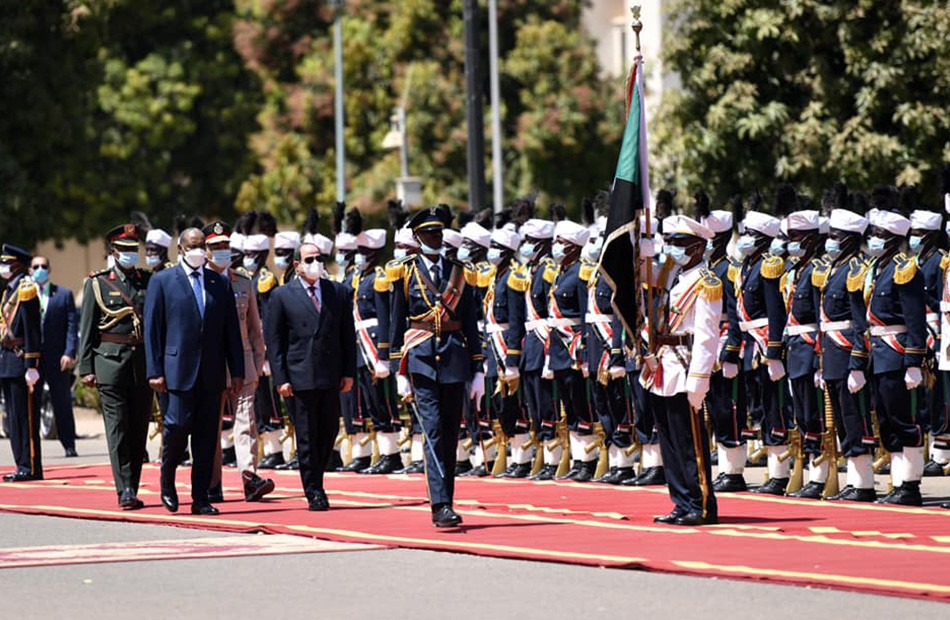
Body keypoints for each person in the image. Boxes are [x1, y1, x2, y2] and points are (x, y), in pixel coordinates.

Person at [389, 205, 484, 527]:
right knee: (432, 432)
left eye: (439, 233)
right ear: (417, 238)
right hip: (422, 360)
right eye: (429, 233)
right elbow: (396, 321)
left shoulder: (460, 271)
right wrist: (396, 370)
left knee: (449, 434)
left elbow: (471, 322)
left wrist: (479, 368)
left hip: (455, 359)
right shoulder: (404, 272)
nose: (436, 238)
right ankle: (440, 505)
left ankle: (448, 500)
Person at [144, 227, 245, 515]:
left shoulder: (218, 283)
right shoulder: (162, 281)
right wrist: (155, 371)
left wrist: (236, 370)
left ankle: (200, 497)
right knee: (177, 428)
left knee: (205, 437)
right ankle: (167, 482)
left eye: (202, 246)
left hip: (211, 373)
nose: (198, 250)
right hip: (177, 371)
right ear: (180, 248)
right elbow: (153, 330)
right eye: (192, 246)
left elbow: (230, 332)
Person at [642, 215, 721, 526]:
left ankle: (700, 504)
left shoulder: (707, 282)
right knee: (670, 441)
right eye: (669, 242)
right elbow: (640, 281)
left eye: (678, 243)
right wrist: (642, 254)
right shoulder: (672, 275)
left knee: (691, 443)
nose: (672, 248)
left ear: (699, 246)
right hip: (664, 366)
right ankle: (680, 501)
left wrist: (699, 380)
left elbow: (707, 334)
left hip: (686, 366)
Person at [265, 241, 356, 511]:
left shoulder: (337, 292)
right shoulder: (282, 296)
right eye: (309, 259)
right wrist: (281, 378)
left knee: (328, 431)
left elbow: (347, 336)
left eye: (319, 258)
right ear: (296, 265)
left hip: (330, 375)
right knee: (306, 435)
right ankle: (313, 489)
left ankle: (317, 478)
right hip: (299, 375)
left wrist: (348, 372)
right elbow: (275, 340)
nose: (316, 263)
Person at [78, 226, 151, 507]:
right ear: (113, 252)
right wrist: (86, 368)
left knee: (139, 429)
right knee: (118, 427)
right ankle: (125, 491)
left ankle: (132, 484)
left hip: (142, 364)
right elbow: (87, 331)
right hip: (109, 363)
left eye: (135, 250)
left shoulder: (147, 281)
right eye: (126, 250)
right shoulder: (97, 283)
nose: (132, 255)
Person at [863, 188, 927, 506]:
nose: (871, 239)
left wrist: (914, 361)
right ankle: (898, 482)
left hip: (897, 351)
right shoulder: (877, 269)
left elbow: (915, 318)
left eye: (877, 234)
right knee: (886, 420)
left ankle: (911, 485)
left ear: (890, 238)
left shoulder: (904, 268)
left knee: (903, 420)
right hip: (879, 353)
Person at [203, 222, 274, 503]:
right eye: (215, 247)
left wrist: (257, 364)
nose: (222, 251)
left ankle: (249, 477)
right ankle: (212, 483)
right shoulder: (198, 282)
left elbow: (256, 330)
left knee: (246, 423)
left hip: (243, 363)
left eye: (225, 246)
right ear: (206, 251)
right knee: (212, 425)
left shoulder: (243, 282)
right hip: (211, 364)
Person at [813, 197, 875, 502]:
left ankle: (863, 483)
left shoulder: (856, 269)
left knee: (853, 419)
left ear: (849, 241)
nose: (829, 243)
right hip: (832, 354)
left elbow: (861, 322)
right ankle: (854, 481)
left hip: (848, 352)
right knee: (839, 418)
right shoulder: (833, 268)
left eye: (835, 238)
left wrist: (857, 363)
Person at [729, 193, 788, 494]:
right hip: (750, 347)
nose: (745, 239)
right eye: (745, 233)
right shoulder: (746, 266)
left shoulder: (769, 265)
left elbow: (775, 312)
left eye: (751, 235)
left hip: (765, 346)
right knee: (760, 407)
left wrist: (775, 352)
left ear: (764, 239)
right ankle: (771, 471)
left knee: (774, 407)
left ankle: (779, 475)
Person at [780, 206, 826, 498]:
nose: (791, 243)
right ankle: (809, 471)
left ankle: (820, 476)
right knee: (801, 413)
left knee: (815, 414)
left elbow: (823, 315)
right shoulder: (794, 271)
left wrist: (821, 354)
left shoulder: (818, 271)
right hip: (795, 348)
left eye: (796, 237)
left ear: (809, 240)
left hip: (810, 347)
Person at [351, 227, 403, 475]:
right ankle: (384, 454)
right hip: (362, 347)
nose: (357, 256)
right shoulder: (360, 278)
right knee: (372, 403)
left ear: (372, 254)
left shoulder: (380, 279)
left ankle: (392, 455)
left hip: (374, 348)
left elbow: (386, 319)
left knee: (383, 402)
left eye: (362, 252)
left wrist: (383, 356)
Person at [547, 220, 596, 481]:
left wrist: (586, 352)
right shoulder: (560, 272)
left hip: (574, 347)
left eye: (561, 243)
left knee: (581, 403)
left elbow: (586, 315)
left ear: (574, 248)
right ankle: (578, 460)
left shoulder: (580, 273)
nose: (555, 247)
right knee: (569, 405)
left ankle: (588, 461)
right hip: (558, 347)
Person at [483, 226, 529, 478]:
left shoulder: (512, 277)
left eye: (497, 249)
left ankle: (521, 459)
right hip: (492, 344)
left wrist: (512, 357)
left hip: (506, 344)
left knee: (514, 404)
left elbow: (516, 319)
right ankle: (508, 453)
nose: (492, 253)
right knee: (497, 403)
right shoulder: (494, 276)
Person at [516, 219, 561, 481]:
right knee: (533, 403)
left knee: (547, 405)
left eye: (531, 242)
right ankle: (543, 456)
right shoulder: (531, 269)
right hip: (530, 343)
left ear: (543, 244)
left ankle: (554, 461)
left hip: (543, 340)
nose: (527, 246)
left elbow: (549, 312)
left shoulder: (547, 270)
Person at [0, 244, 42, 482]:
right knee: (13, 418)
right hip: (7, 359)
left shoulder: (27, 289)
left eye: (6, 262)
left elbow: (33, 329)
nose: (3, 267)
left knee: (25, 418)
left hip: (21, 358)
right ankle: (20, 464)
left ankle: (30, 466)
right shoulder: (8, 291)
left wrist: (32, 364)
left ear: (17, 265)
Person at [29, 255, 79, 457]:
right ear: (30, 270)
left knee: (62, 402)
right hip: (32, 358)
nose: (40, 269)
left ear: (49, 270)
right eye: (36, 266)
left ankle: (69, 445)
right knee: (31, 403)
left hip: (57, 358)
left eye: (43, 266)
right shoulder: (24, 295)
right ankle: (31, 447)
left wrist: (69, 352)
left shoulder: (63, 294)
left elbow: (71, 326)